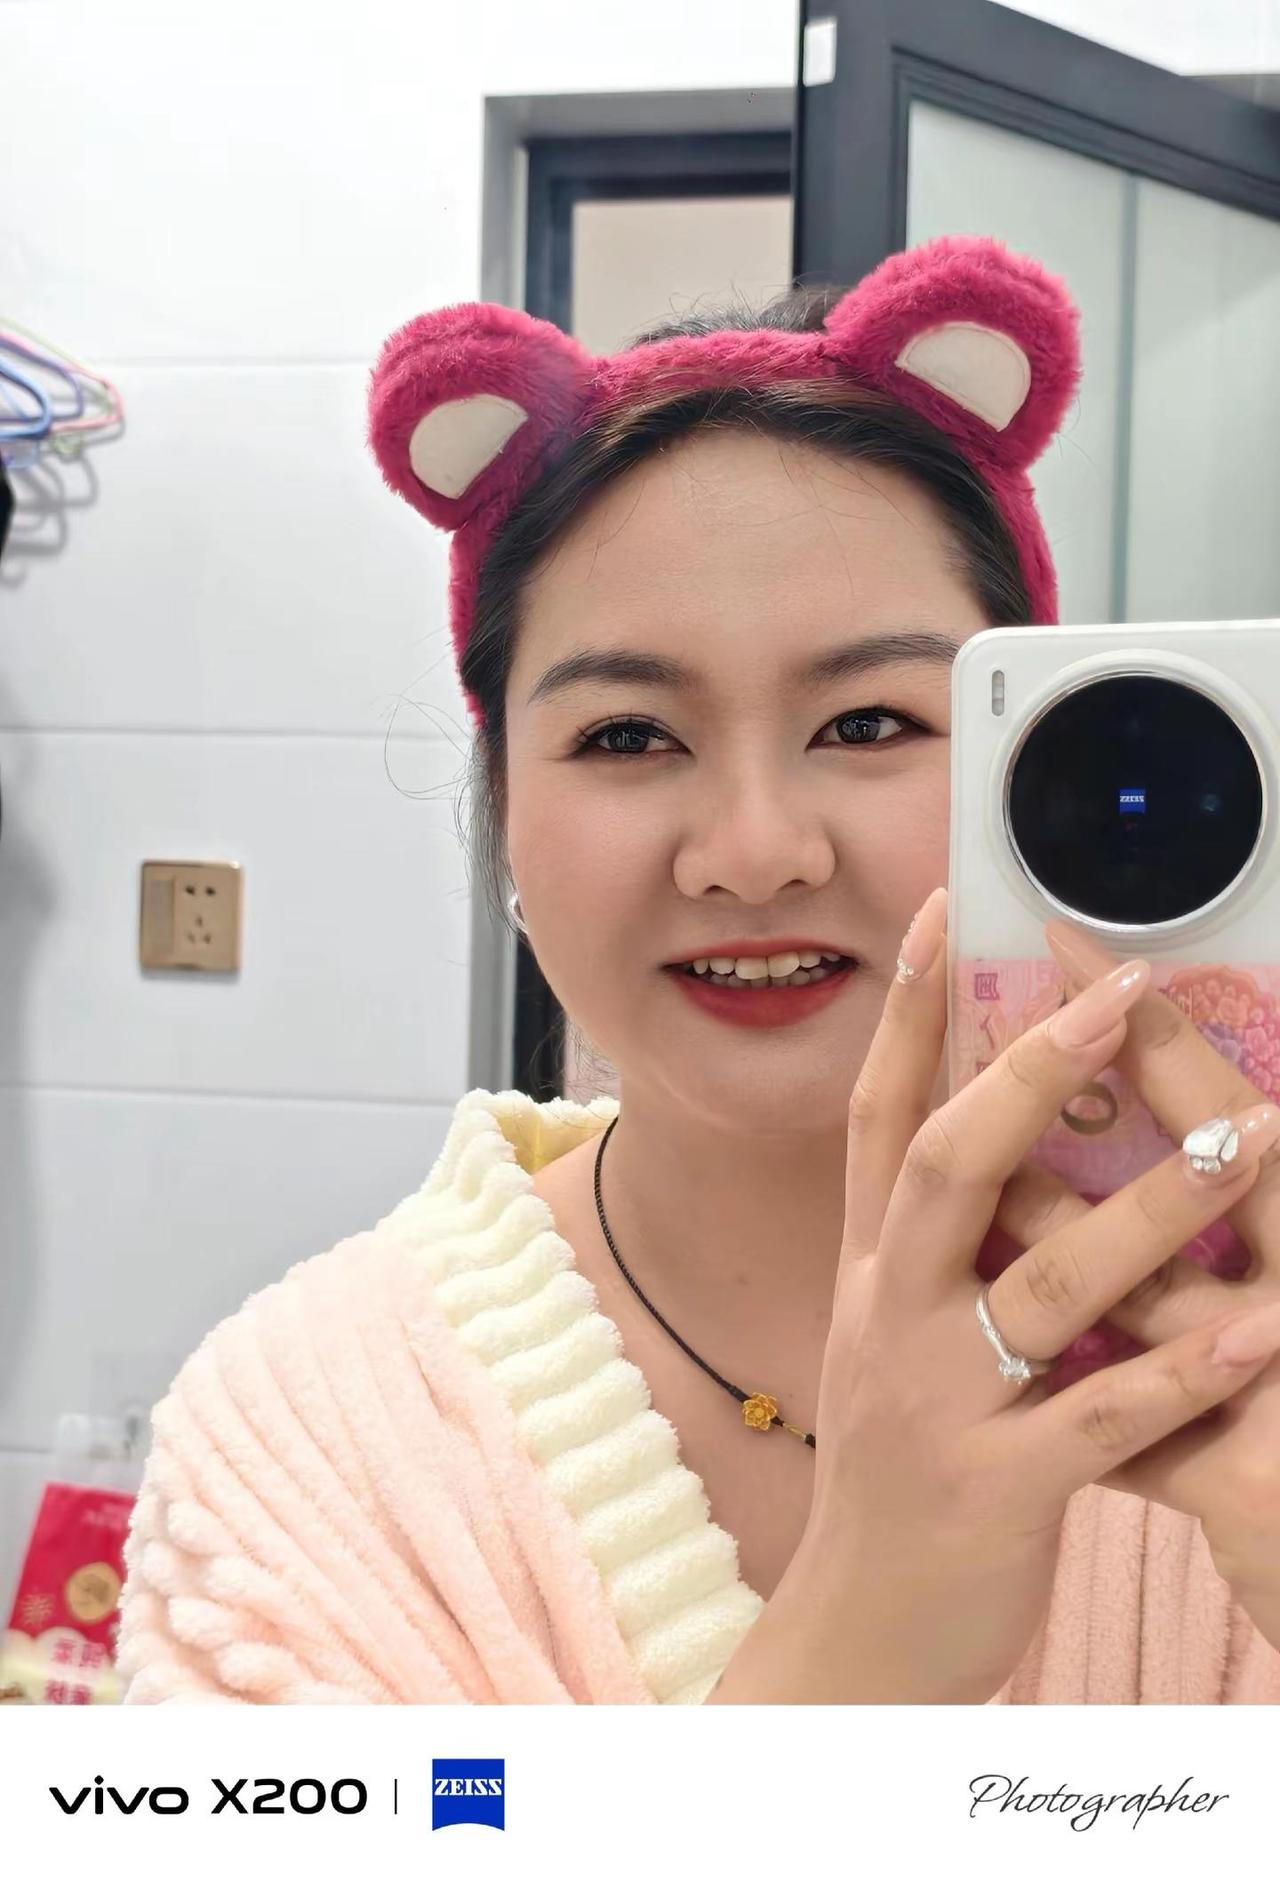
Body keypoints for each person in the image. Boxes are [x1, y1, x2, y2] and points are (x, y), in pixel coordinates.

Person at [114, 234, 1280, 1705]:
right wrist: (861, 1640)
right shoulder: (294, 1451)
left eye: (868, 723)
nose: (752, 852)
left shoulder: (1249, 1334)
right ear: (504, 807)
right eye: (626, 735)